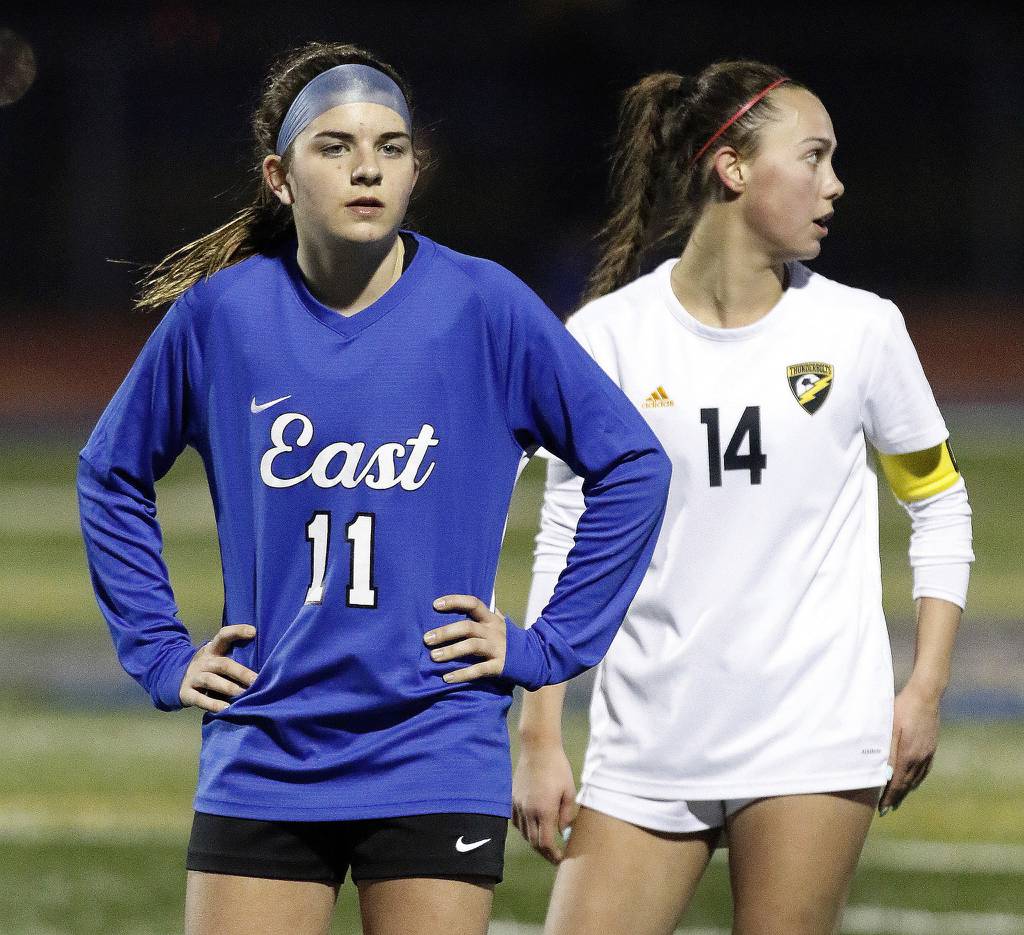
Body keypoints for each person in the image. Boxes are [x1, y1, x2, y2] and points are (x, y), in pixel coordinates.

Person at [77, 41, 671, 935]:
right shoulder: (223, 315)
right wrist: (161, 653)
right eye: (335, 146)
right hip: (264, 744)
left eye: (391, 147)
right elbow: (110, 471)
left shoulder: (483, 306)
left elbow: (634, 464)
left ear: (415, 168)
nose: (367, 168)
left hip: (434, 745)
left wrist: (548, 646)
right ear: (279, 175)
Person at [512, 61, 974, 935]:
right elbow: (567, 535)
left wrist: (924, 688)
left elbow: (940, 503)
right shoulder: (608, 338)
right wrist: (538, 733)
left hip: (813, 732)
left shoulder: (862, 329)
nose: (834, 185)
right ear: (731, 167)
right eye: (814, 157)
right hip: (647, 735)